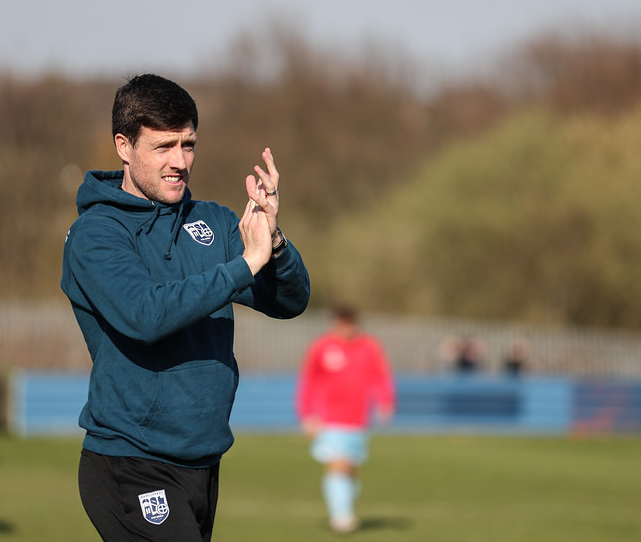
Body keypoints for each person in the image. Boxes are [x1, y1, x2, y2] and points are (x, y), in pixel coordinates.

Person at [61, 74, 310, 541]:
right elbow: (145, 315)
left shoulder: (212, 221)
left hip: (203, 463)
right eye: (163, 147)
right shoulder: (97, 234)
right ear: (124, 146)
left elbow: (290, 300)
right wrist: (245, 264)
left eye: (188, 144)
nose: (179, 161)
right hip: (131, 461)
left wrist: (273, 241)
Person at [296, 304, 395, 533]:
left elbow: (380, 376)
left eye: (350, 323)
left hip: (358, 418)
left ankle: (345, 509)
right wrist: (307, 413)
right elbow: (309, 381)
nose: (346, 328)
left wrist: (385, 401)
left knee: (351, 468)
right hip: (329, 418)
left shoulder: (368, 347)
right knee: (338, 464)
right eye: (342, 323)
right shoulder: (322, 347)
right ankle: (341, 516)